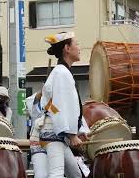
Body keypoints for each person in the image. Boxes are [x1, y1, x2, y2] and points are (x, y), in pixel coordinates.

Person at [29, 32, 90, 178]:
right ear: (67, 48)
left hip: (54, 132)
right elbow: (60, 108)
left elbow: (69, 108)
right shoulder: (62, 73)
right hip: (53, 132)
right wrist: (71, 134)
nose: (79, 47)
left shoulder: (62, 72)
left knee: (75, 174)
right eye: (76, 44)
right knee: (56, 174)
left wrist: (82, 131)